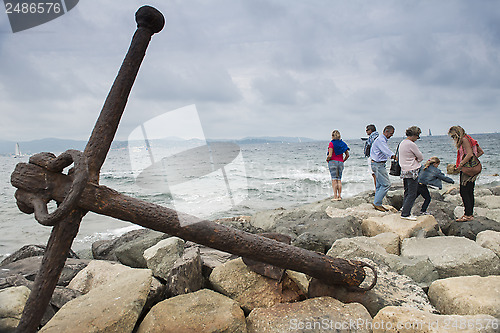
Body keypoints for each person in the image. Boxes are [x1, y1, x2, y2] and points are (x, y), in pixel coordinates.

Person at [448, 126, 484, 222]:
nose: (453, 139)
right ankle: (469, 214)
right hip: (473, 169)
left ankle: (467, 214)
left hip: (467, 170)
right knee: (469, 191)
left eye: (453, 136)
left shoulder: (464, 139)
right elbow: (480, 152)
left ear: (457, 134)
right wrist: (473, 161)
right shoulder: (470, 139)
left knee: (464, 191)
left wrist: (462, 164)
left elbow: (469, 154)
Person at [398, 126, 424, 220]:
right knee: (412, 193)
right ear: (414, 135)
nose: (417, 138)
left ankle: (404, 209)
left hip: (404, 170)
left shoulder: (402, 143)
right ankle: (406, 214)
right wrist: (417, 159)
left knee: (407, 191)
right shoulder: (411, 144)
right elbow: (420, 157)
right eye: (417, 136)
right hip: (412, 170)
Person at [370, 125, 396, 211]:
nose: (391, 135)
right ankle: (377, 203)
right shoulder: (381, 140)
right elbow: (386, 151)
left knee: (379, 185)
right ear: (386, 132)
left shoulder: (381, 139)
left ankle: (377, 202)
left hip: (376, 164)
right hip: (378, 165)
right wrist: (394, 156)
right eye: (391, 133)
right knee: (386, 184)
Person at [326, 130, 350, 201]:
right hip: (340, 162)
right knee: (339, 179)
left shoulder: (331, 143)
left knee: (334, 179)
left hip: (333, 162)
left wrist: (327, 159)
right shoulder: (343, 144)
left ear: (332, 136)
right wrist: (343, 160)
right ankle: (339, 196)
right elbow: (347, 155)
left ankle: (335, 196)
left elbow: (330, 155)